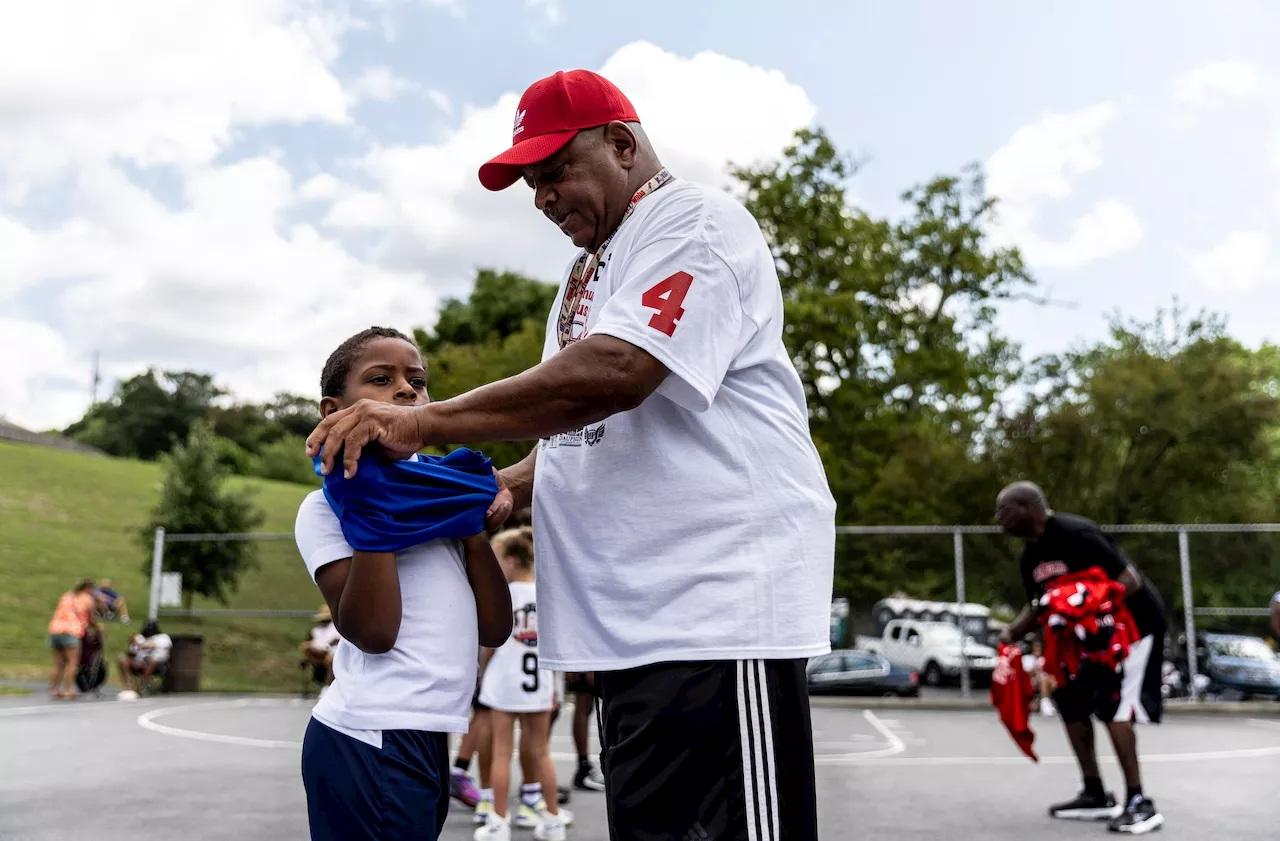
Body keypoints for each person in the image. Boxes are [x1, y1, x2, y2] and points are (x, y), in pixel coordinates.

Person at [306, 68, 836, 841]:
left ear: (621, 144)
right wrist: (502, 492)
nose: (542, 196)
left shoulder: (694, 224)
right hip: (632, 632)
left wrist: (425, 426)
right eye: (530, 183)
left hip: (715, 619)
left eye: (555, 170)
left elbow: (618, 373)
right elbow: (581, 439)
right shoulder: (585, 274)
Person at [294, 326, 514, 841]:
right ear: (333, 410)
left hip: (429, 733)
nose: (406, 390)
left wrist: (471, 525)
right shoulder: (326, 508)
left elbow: (494, 629)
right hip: (369, 734)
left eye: (417, 381)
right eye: (381, 379)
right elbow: (373, 633)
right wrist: (374, 510)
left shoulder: (444, 490)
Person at [996, 481, 1165, 835]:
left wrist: (1091, 605)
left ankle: (1139, 802)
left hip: (1131, 628)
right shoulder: (1030, 557)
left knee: (1113, 706)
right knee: (1068, 699)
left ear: (1028, 507)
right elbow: (1038, 606)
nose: (999, 520)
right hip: (1084, 638)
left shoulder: (1076, 533)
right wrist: (1012, 632)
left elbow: (1130, 577)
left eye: (1004, 510)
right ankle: (1094, 792)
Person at [474, 527, 570, 841]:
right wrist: (556, 688)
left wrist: (481, 674)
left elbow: (489, 644)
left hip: (505, 681)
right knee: (541, 752)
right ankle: (553, 820)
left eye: (498, 559)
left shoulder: (506, 594)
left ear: (512, 561)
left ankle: (499, 822)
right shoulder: (548, 594)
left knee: (502, 752)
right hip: (539, 681)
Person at [46, 578, 99, 699]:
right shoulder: (88, 599)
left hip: (55, 629)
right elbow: (91, 620)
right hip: (72, 631)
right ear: (88, 588)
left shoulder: (67, 596)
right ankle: (67, 690)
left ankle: (54, 690)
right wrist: (98, 629)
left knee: (58, 663)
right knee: (72, 662)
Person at [562, 672, 605, 791]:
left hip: (588, 659)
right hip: (587, 660)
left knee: (585, 705)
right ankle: (583, 766)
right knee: (583, 703)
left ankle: (583, 766)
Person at [117, 620, 173, 699]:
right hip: (139, 662)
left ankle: (139, 689)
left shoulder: (163, 637)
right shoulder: (139, 637)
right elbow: (131, 653)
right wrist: (133, 644)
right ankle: (128, 688)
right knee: (122, 659)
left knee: (153, 662)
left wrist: (142, 644)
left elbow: (153, 646)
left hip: (155, 665)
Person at [301, 604, 341, 688]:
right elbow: (310, 641)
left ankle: (328, 682)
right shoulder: (316, 630)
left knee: (331, 655)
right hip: (317, 652)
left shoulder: (335, 629)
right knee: (305, 648)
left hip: (329, 652)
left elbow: (336, 640)